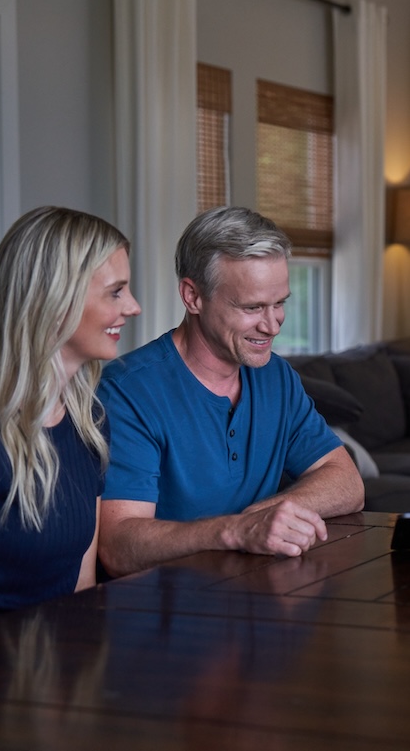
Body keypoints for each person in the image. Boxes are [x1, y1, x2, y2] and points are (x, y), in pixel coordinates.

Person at [96, 206, 364, 577]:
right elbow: (118, 547)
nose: (272, 326)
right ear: (193, 297)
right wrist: (237, 531)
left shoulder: (277, 377)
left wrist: (267, 517)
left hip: (257, 601)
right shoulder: (126, 391)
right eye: (252, 307)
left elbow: (347, 482)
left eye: (280, 303)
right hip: (160, 615)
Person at [0, 206, 141, 636]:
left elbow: (81, 591)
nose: (133, 306)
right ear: (57, 301)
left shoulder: (88, 421)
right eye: (116, 292)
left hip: (54, 673)